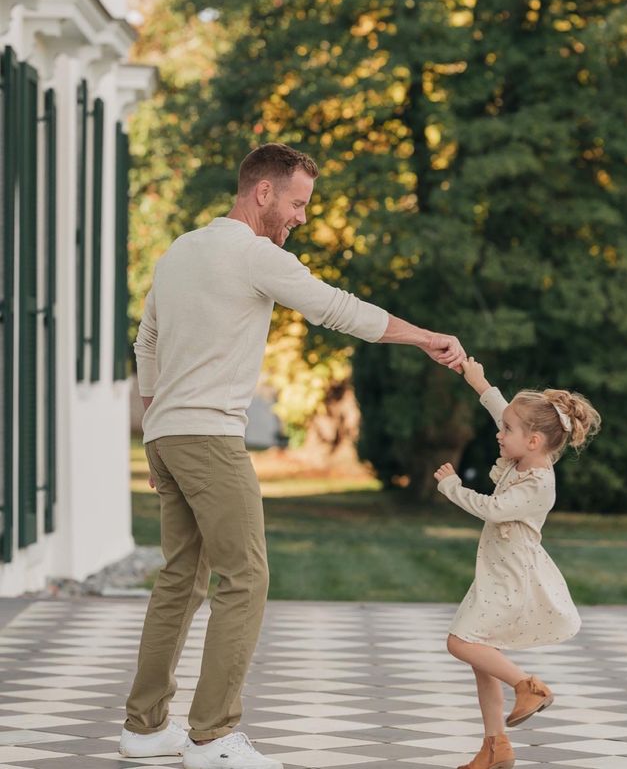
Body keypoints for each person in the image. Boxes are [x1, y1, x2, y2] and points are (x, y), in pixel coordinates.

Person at [118, 143, 466, 769]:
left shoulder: (181, 251)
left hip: (168, 436)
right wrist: (423, 337)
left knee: (180, 580)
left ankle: (144, 729)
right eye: (298, 203)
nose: (301, 217)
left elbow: (147, 338)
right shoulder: (253, 255)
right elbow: (337, 308)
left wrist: (156, 416)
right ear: (262, 193)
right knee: (245, 578)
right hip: (208, 439)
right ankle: (213, 737)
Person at [433, 357, 601, 769]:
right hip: (496, 572)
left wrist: (451, 486)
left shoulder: (538, 482)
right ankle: (496, 748)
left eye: (507, 431)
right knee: (480, 657)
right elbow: (502, 408)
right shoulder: (524, 457)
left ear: (534, 442)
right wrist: (479, 381)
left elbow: (493, 509)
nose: (498, 433)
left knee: (461, 643)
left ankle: (529, 686)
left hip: (511, 577)